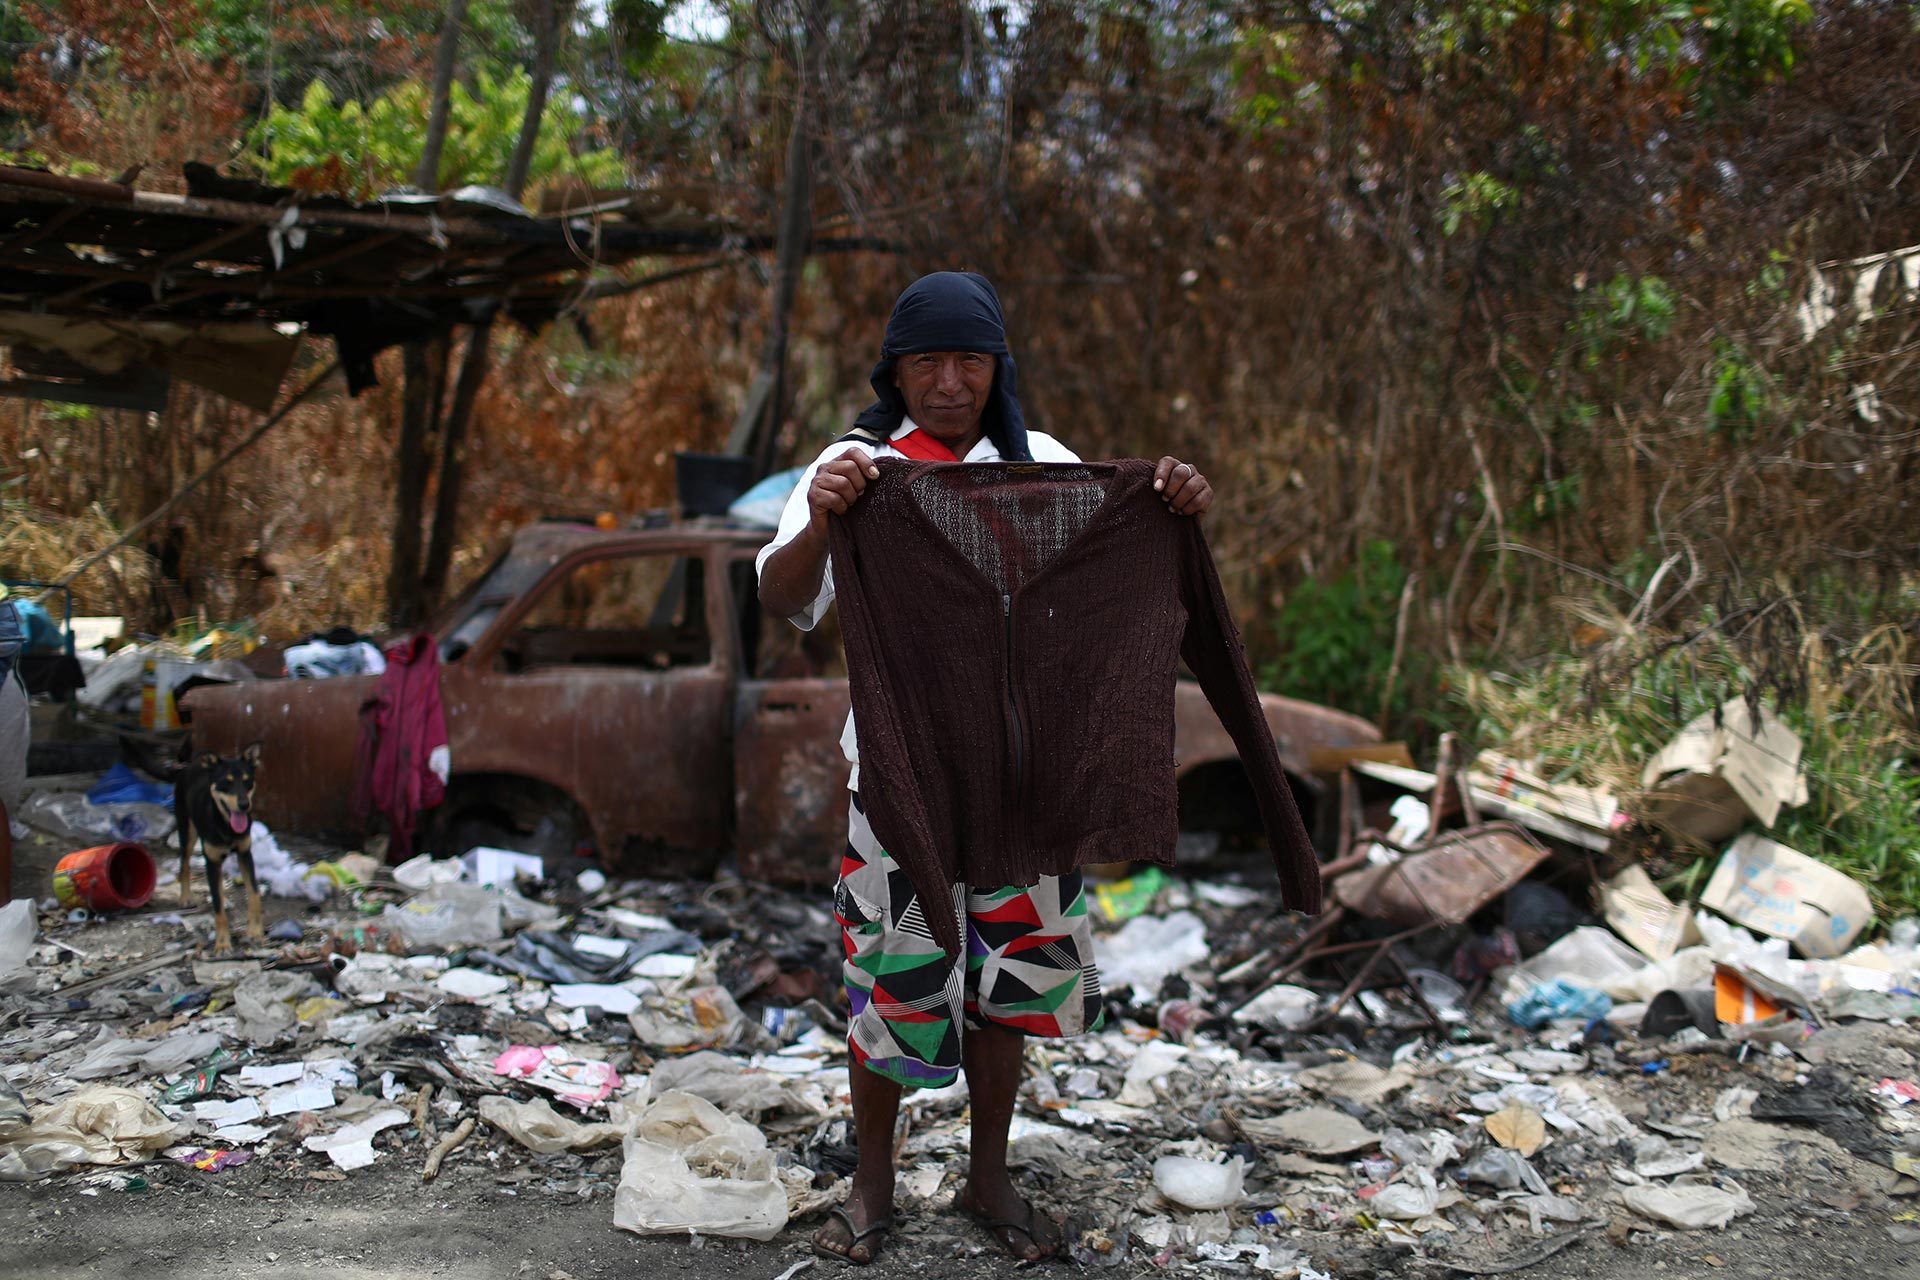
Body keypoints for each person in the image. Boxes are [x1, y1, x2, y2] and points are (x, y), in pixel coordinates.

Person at [757, 272, 1214, 1264]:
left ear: (997, 366)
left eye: (969, 358)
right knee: (893, 981)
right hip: (898, 777)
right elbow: (780, 594)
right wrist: (827, 518)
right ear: (896, 370)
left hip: (1028, 780)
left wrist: (1172, 504)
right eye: (927, 360)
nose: (949, 380)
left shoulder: (1044, 464)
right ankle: (870, 1184)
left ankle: (988, 1174)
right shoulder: (858, 468)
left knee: (1010, 982)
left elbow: (1116, 583)